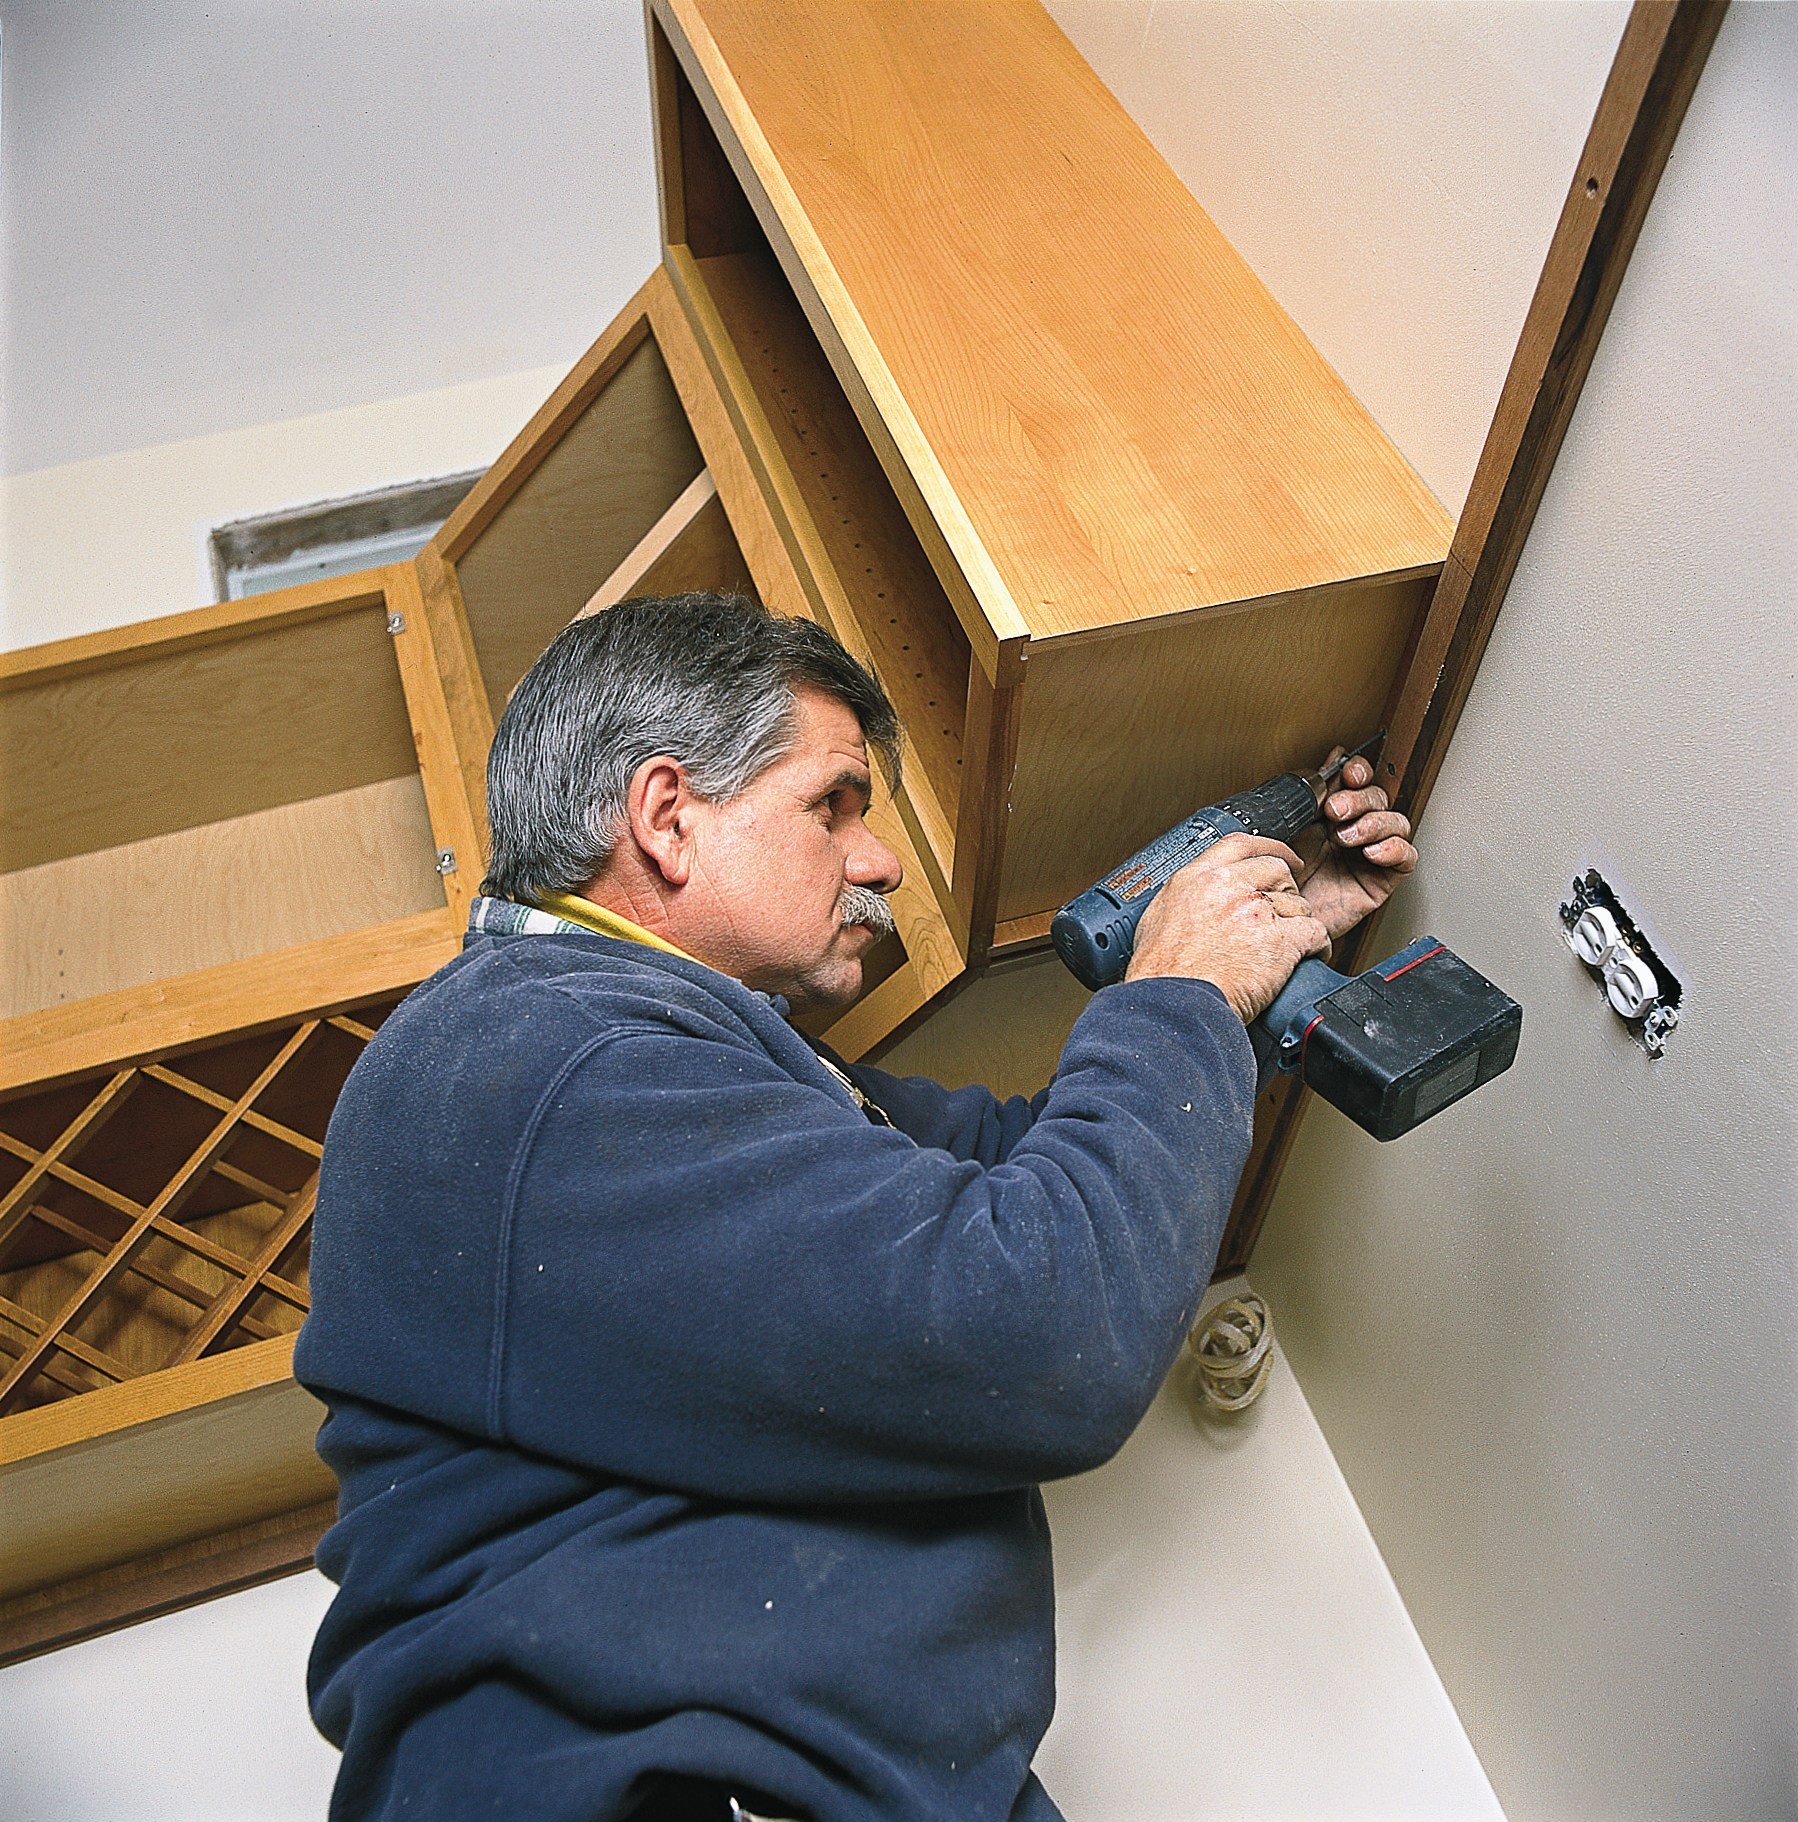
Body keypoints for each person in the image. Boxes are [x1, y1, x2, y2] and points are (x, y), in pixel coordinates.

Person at [295, 592, 1415, 1822]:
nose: (878, 861)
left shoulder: (691, 1071)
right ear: (666, 816)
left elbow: (1026, 1178)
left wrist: (1249, 961)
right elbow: (1042, 1325)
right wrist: (1182, 993)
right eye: (832, 802)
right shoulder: (521, 1052)